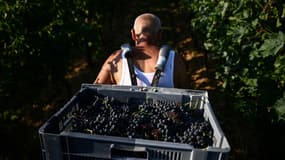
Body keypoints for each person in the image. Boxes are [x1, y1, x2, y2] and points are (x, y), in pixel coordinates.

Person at [93, 13, 188, 88]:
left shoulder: (116, 60)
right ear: (160, 35)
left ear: (133, 34)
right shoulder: (175, 60)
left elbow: (94, 91)